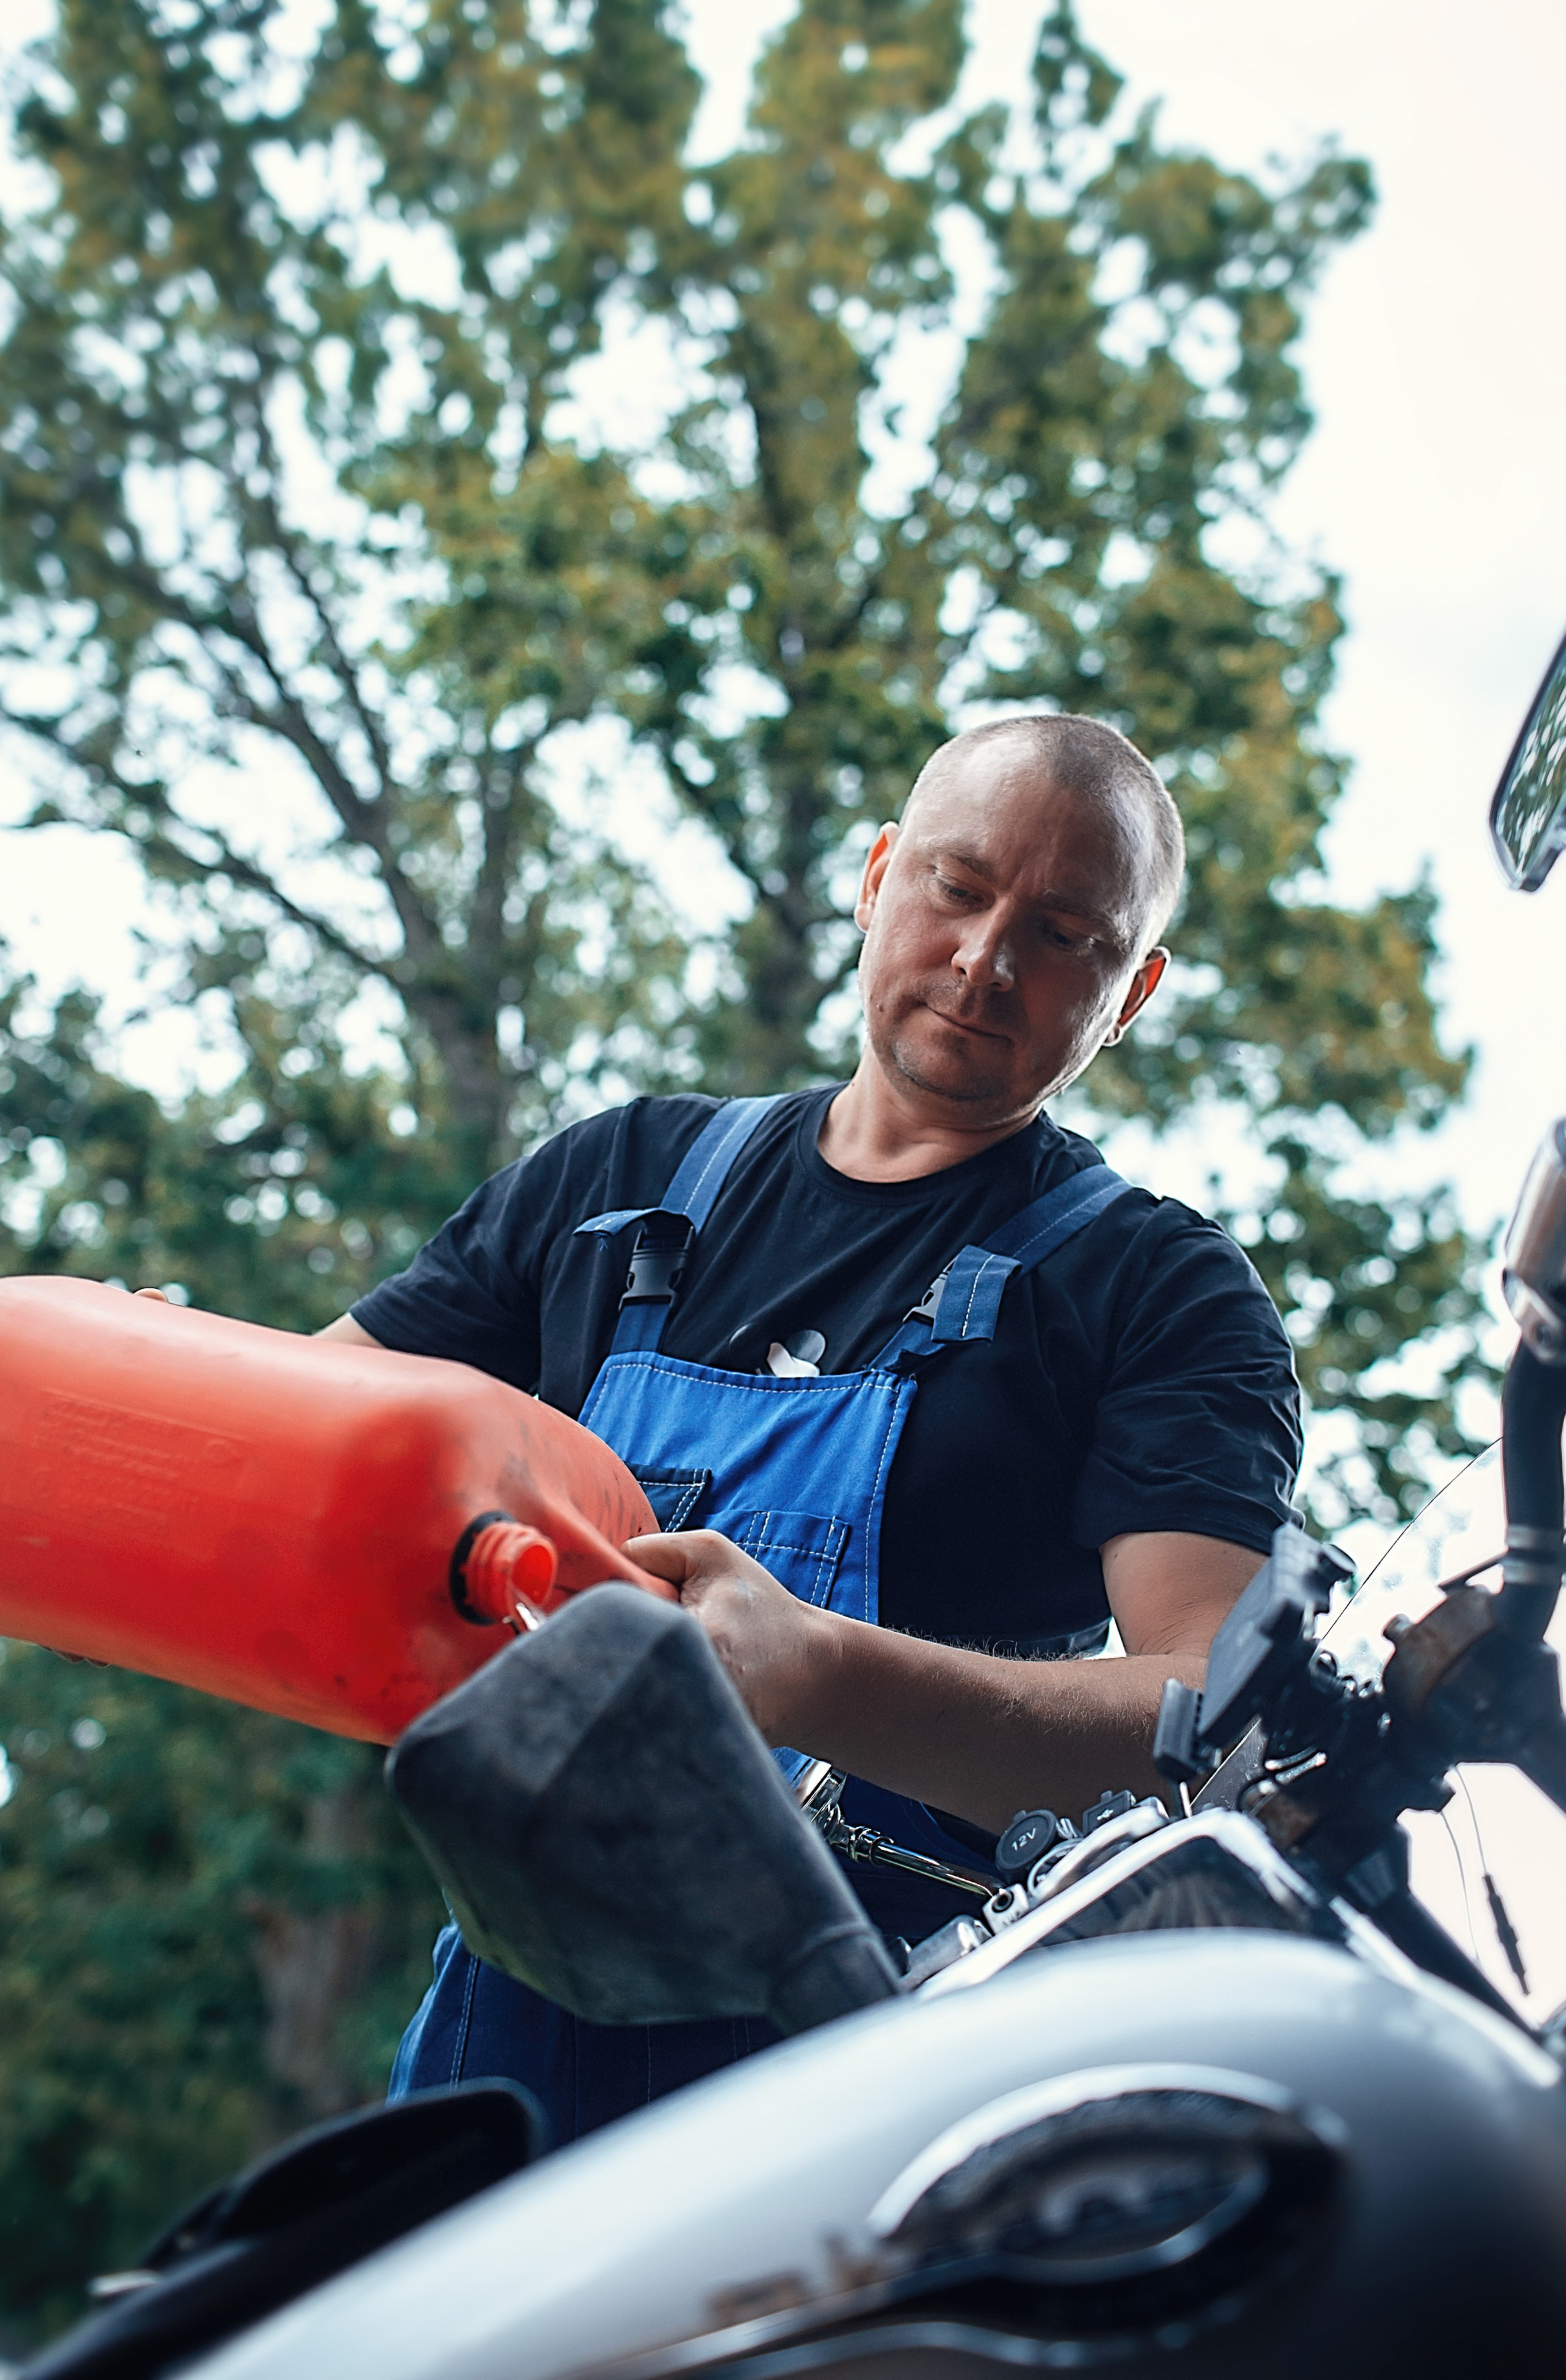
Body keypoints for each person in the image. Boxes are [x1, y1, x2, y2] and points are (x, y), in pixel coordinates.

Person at [322, 712, 1302, 2143]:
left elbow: (1209, 1722)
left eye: (1063, 934)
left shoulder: (1153, 1292)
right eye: (956, 889)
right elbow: (310, 1447)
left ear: (1133, 990)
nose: (983, 960)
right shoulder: (621, 1178)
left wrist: (819, 1671)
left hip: (876, 2075)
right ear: (877, 874)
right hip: (510, 2021)